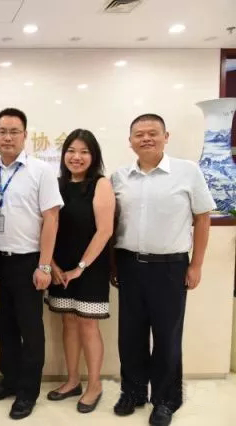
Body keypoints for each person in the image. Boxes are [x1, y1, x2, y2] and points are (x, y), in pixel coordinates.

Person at [111, 114, 214, 426]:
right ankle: (133, 392)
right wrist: (113, 265)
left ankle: (166, 400)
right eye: (139, 134)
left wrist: (196, 264)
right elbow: (112, 225)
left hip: (170, 267)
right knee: (130, 335)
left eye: (153, 133)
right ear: (130, 141)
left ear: (166, 137)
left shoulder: (187, 171)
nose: (146, 138)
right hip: (129, 265)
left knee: (167, 337)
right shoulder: (119, 177)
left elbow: (203, 218)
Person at [0, 108, 63, 420]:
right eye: (2, 131)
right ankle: (10, 380)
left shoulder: (41, 171)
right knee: (3, 328)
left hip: (28, 262)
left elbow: (51, 219)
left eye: (14, 131)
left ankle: (28, 392)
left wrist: (44, 266)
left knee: (31, 330)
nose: (8, 137)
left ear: (25, 136)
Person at [44, 129, 115, 413]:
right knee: (69, 322)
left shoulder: (101, 184)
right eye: (71, 151)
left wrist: (80, 268)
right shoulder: (56, 185)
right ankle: (72, 380)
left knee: (88, 324)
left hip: (90, 267)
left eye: (84, 152)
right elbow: (46, 226)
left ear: (93, 156)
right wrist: (53, 265)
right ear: (64, 155)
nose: (77, 157)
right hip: (60, 267)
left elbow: (105, 230)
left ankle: (94, 385)